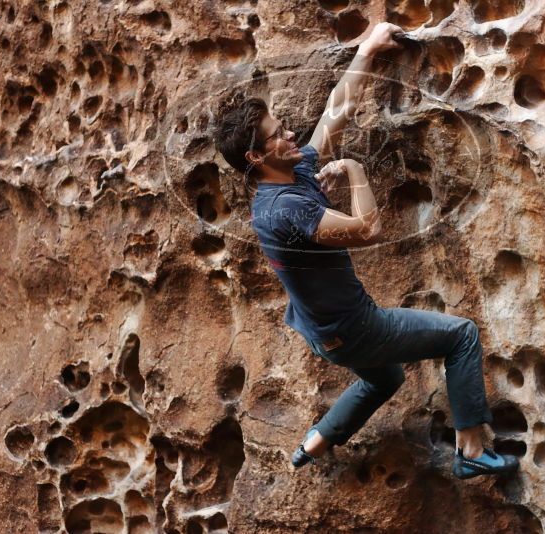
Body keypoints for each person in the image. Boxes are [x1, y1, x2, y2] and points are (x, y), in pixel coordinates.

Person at [213, 22, 519, 480]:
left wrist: (370, 48)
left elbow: (336, 112)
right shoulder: (284, 209)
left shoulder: (286, 177)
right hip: (356, 329)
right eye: (278, 133)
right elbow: (369, 229)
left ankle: (315, 442)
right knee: (461, 336)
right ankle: (472, 448)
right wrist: (355, 171)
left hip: (325, 333)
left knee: (385, 378)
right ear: (257, 157)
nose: (291, 134)